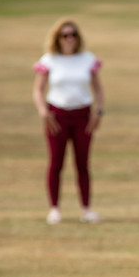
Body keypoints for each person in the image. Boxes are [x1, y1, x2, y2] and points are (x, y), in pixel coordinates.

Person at [32, 19, 104, 225]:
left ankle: (86, 209)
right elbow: (38, 89)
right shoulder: (50, 60)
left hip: (82, 114)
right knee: (56, 162)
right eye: (65, 35)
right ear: (58, 38)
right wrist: (43, 111)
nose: (69, 39)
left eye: (72, 35)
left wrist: (99, 111)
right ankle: (54, 208)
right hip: (57, 115)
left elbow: (98, 87)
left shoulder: (87, 59)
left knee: (82, 162)